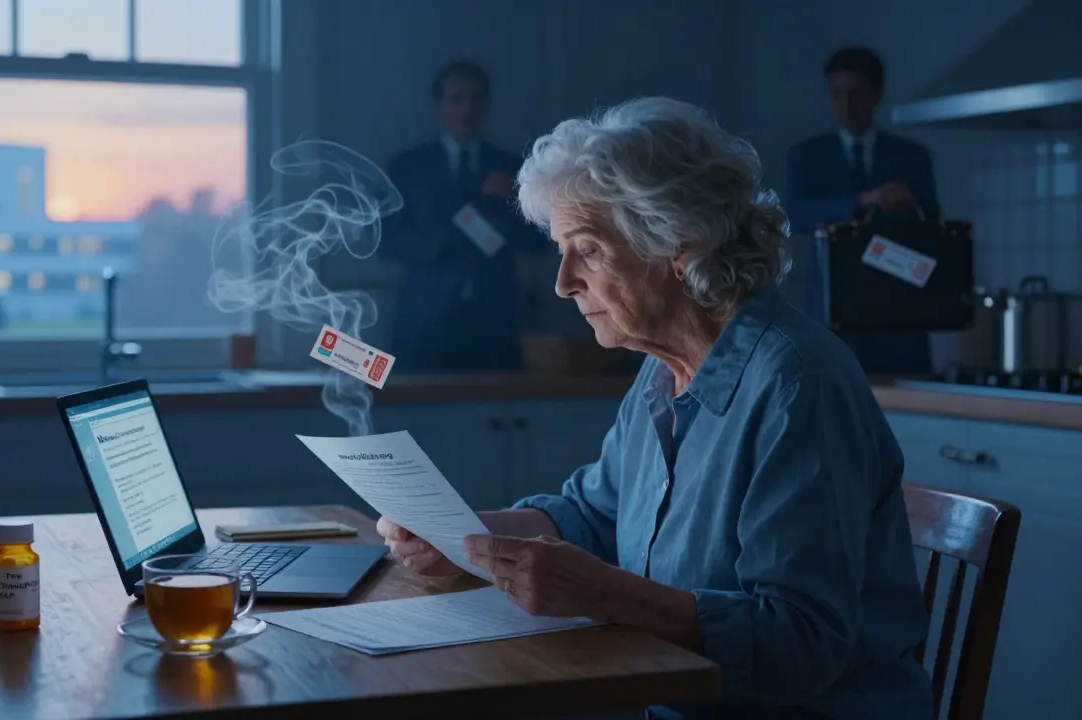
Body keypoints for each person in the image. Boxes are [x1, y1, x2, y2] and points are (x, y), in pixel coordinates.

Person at [377, 98, 932, 719]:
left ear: (678, 244)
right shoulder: (662, 369)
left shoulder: (798, 385)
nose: (562, 283)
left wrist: (610, 594)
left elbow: (799, 644)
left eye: (586, 250)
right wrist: (465, 536)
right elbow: (596, 514)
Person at [378, 59, 543, 373]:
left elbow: (539, 242)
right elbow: (386, 240)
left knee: (495, 413)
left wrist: (518, 201)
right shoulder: (409, 168)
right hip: (425, 320)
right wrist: (445, 239)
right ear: (439, 106)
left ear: (487, 105)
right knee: (419, 413)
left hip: (494, 322)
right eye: (456, 99)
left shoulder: (512, 167)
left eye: (476, 99)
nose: (467, 110)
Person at [787, 46, 940, 375]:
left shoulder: (912, 157)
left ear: (876, 95)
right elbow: (797, 216)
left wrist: (909, 205)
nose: (845, 105)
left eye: (855, 94)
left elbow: (935, 227)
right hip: (832, 315)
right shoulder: (807, 156)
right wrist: (861, 201)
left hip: (900, 318)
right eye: (836, 94)